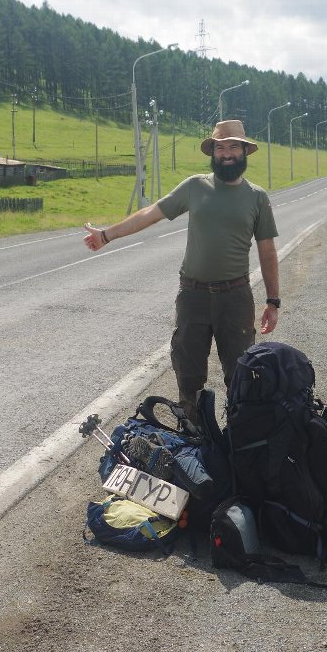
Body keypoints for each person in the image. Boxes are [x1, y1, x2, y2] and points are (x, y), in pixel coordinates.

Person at [83, 119, 280, 425]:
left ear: (244, 152)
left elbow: (267, 250)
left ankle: (239, 442)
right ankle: (191, 437)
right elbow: (151, 213)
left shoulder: (257, 197)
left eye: (233, 147)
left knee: (242, 375)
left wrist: (273, 301)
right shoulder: (194, 186)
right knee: (187, 375)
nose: (226, 154)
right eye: (220, 147)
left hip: (236, 298)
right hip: (193, 296)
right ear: (212, 153)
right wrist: (107, 235)